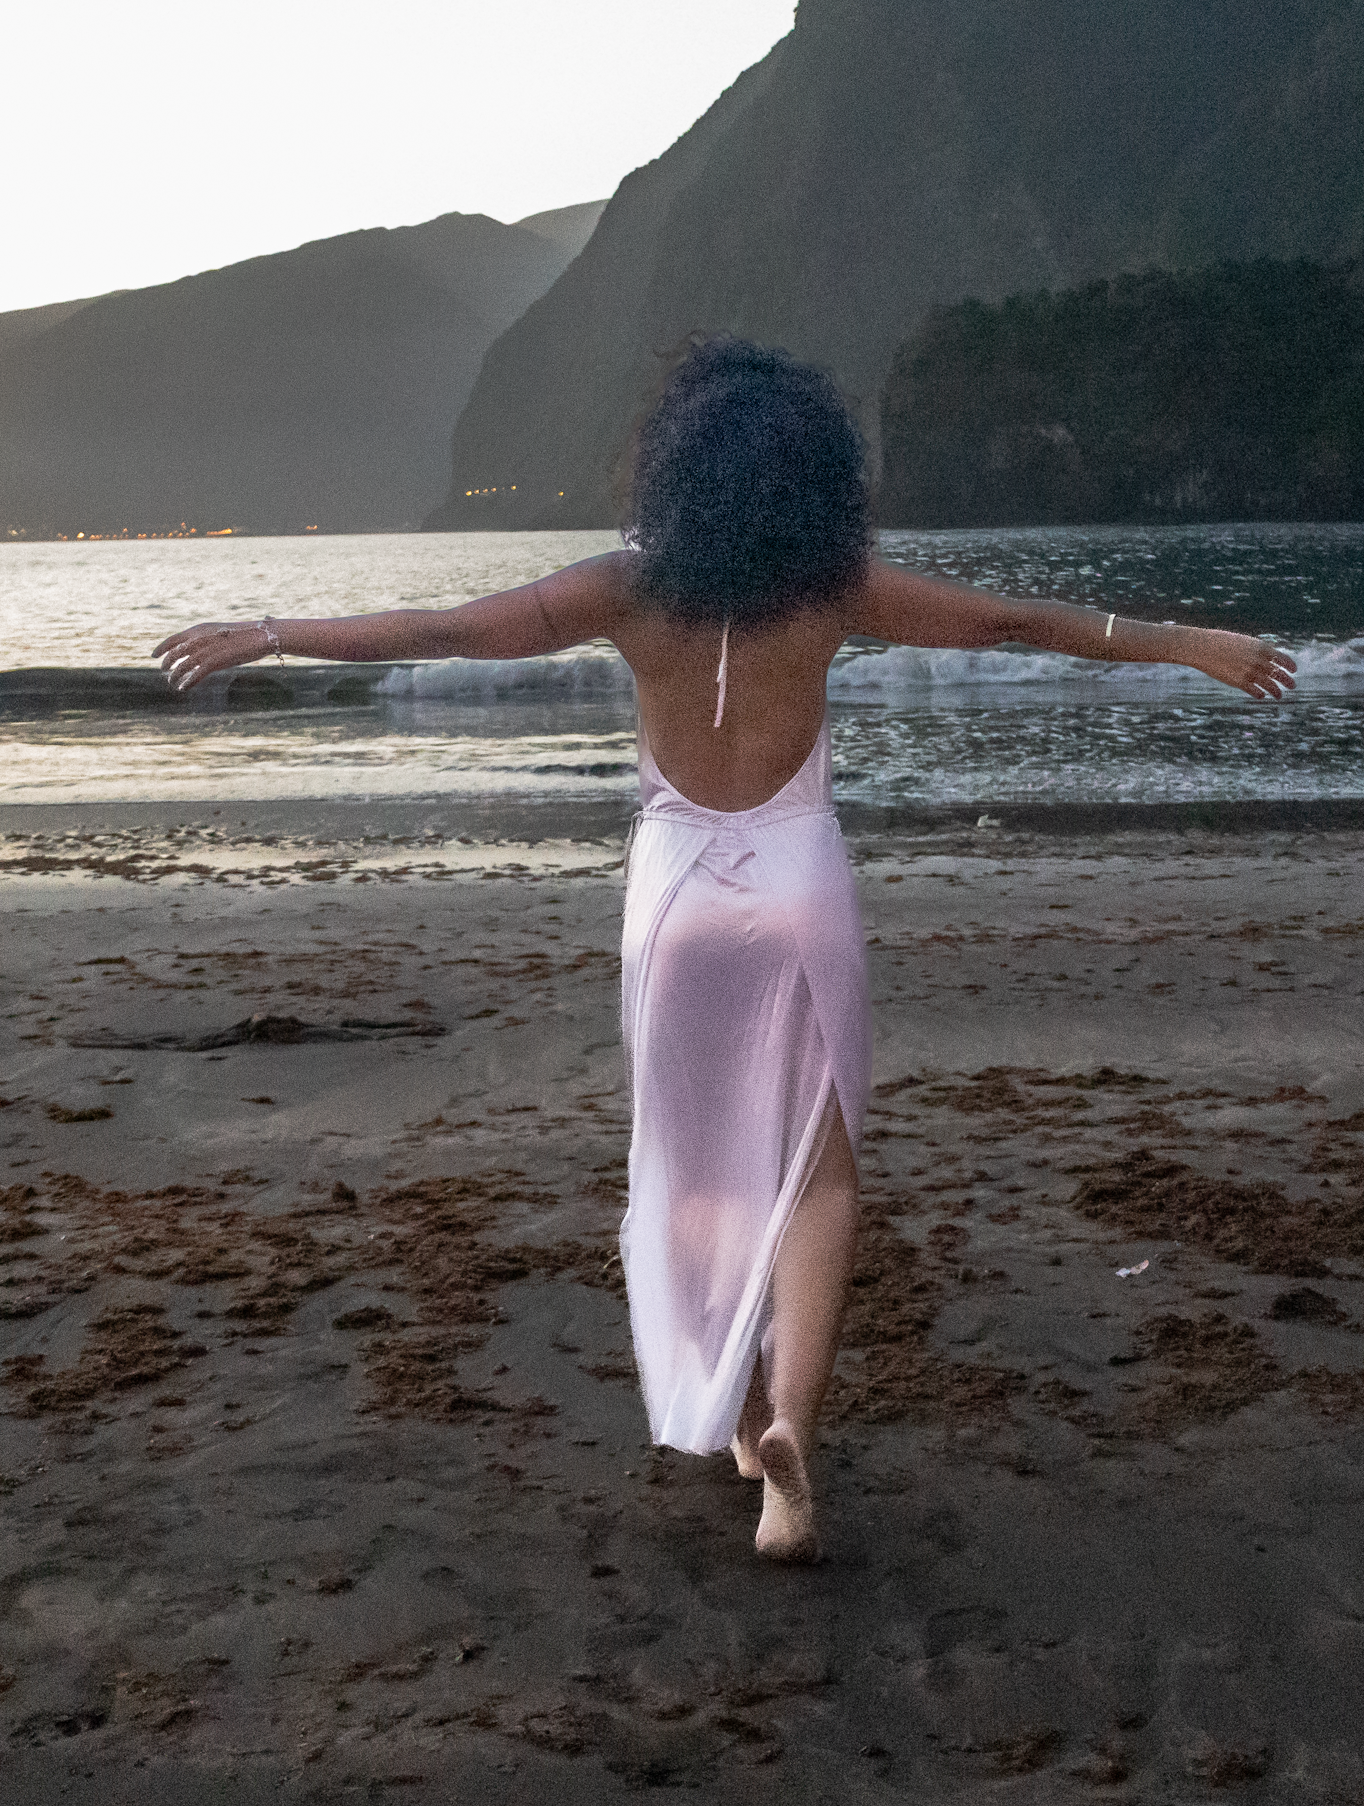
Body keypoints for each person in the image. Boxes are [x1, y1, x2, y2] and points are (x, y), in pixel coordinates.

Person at [155, 336, 1296, 1562]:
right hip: (798, 889)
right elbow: (1016, 622)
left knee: (692, 1165)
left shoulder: (624, 591)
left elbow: (452, 629)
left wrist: (272, 627)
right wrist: (1186, 640)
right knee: (820, 1170)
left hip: (677, 902)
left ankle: (740, 1413)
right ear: (814, 476)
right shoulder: (836, 589)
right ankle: (790, 1427)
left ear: (677, 471)